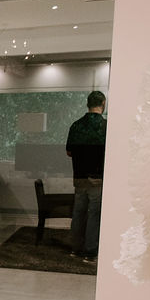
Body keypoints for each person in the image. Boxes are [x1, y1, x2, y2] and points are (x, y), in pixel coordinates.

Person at [65, 90, 107, 262]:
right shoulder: (105, 126)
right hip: (97, 177)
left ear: (87, 104)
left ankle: (75, 248)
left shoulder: (76, 125)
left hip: (79, 176)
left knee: (79, 212)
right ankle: (90, 252)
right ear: (103, 103)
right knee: (94, 214)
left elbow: (69, 151)